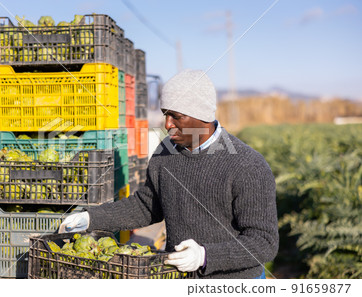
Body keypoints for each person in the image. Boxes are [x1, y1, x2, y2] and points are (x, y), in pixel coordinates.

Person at [58, 69, 279, 279]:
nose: (167, 124)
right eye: (165, 114)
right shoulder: (166, 152)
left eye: (176, 116)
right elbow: (146, 206)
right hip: (177, 275)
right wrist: (91, 218)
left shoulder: (247, 165)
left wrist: (204, 256)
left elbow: (263, 241)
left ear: (201, 115)